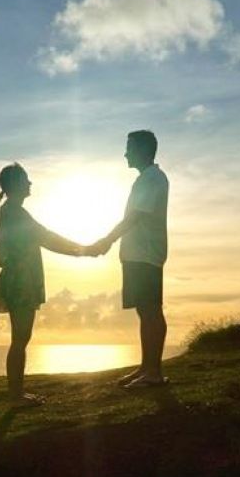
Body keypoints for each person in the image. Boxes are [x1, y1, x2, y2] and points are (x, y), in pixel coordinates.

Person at [0, 163, 89, 407]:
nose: (30, 183)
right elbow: (46, 237)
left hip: (22, 280)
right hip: (21, 281)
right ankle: (15, 396)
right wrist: (82, 250)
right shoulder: (14, 212)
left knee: (21, 338)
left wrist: (80, 250)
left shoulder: (12, 211)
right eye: (26, 180)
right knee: (20, 338)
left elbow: (43, 237)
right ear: (15, 185)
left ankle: (17, 393)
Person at [91, 130, 169, 388]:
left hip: (145, 254)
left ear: (143, 150)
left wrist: (107, 240)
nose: (125, 153)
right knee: (144, 310)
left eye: (129, 147)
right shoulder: (146, 179)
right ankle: (146, 368)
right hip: (137, 254)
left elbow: (134, 217)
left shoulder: (152, 179)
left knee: (150, 310)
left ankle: (153, 373)